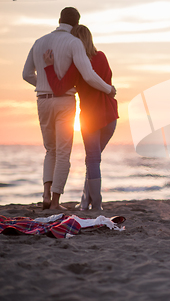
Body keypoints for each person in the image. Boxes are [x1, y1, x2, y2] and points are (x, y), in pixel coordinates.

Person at [22, 7, 116, 210]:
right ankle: (68, 202)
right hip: (84, 106)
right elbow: (91, 76)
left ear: (59, 20)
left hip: (46, 101)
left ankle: (47, 195)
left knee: (51, 150)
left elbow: (26, 75)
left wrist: (43, 83)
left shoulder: (39, 42)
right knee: (75, 155)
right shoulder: (83, 47)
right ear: (76, 23)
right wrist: (109, 90)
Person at [43, 24, 119, 211]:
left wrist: (50, 67)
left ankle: (97, 204)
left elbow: (59, 88)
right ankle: (86, 200)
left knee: (92, 160)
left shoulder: (76, 64)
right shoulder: (102, 56)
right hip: (110, 115)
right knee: (94, 159)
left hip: (91, 118)